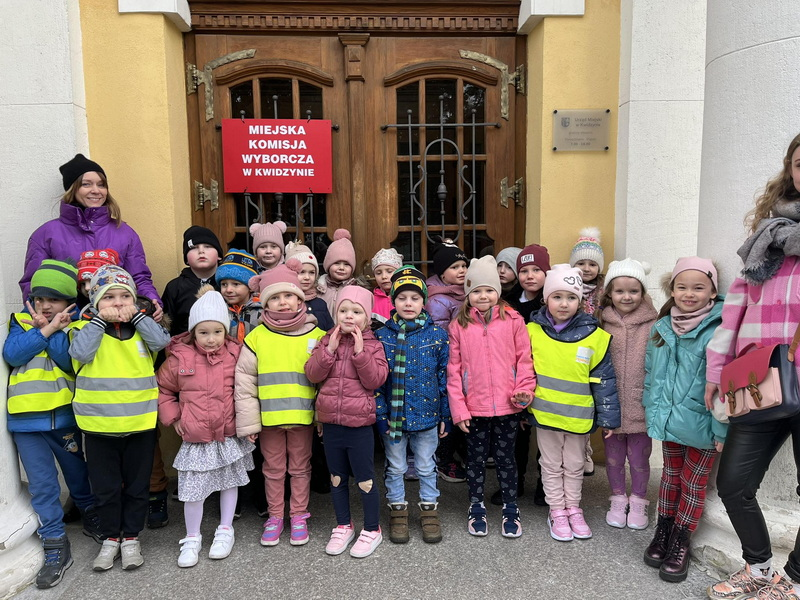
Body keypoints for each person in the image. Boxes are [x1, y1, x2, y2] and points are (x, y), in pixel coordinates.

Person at [705, 133, 800, 600]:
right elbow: (734, 312)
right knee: (734, 483)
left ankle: (794, 580)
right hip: (760, 377)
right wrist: (716, 371)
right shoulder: (766, 238)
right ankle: (759, 567)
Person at [4, 259, 101, 589]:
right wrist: (44, 329)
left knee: (76, 472)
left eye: (54, 300)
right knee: (43, 484)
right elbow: (14, 354)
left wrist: (56, 329)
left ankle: (89, 513)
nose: (45, 306)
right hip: (25, 423)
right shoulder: (20, 322)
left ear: (69, 302)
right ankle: (55, 541)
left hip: (63, 419)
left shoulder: (76, 326)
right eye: (39, 298)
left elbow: (68, 361)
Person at [68, 265, 171, 572]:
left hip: (139, 423)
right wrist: (99, 320)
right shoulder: (83, 328)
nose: (117, 303)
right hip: (99, 425)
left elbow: (161, 342)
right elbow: (81, 353)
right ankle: (111, 538)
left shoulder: (143, 329)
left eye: (124, 296)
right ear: (95, 301)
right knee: (106, 488)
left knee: (137, 486)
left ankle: (131, 538)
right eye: (108, 297)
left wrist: (138, 316)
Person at [642, 257, 726, 583]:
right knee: (670, 478)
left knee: (693, 484)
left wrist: (721, 429)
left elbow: (725, 385)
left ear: (712, 291)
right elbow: (652, 374)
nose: (689, 294)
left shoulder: (719, 328)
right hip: (669, 421)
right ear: (672, 290)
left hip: (702, 423)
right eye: (682, 287)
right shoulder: (662, 327)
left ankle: (681, 540)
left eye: (698, 288)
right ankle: (663, 531)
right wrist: (652, 410)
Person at [157, 290, 254, 567]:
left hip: (227, 434)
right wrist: (174, 417)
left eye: (217, 332)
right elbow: (163, 389)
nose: (211, 339)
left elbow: (248, 388)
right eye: (203, 333)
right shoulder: (179, 358)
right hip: (196, 437)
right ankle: (192, 537)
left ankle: (225, 529)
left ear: (225, 331)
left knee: (229, 483)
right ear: (193, 332)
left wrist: (248, 422)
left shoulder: (235, 353)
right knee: (193, 490)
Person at [235, 259, 326, 547]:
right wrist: (250, 422)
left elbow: (325, 384)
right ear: (265, 303)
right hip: (269, 420)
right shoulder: (256, 337)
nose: (283, 302)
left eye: (289, 295)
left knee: (300, 468)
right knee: (273, 470)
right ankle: (275, 516)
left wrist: (321, 417)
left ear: (300, 299)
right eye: (275, 297)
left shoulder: (317, 336)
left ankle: (298, 515)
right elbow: (245, 383)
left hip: (303, 418)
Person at [527, 264, 619, 543]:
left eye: (571, 297)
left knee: (575, 464)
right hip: (546, 415)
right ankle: (557, 510)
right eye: (557, 296)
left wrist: (608, 418)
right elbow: (522, 372)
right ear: (546, 299)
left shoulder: (595, 336)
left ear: (580, 301)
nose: (564, 303)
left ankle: (574, 509)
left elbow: (604, 380)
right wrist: (519, 408)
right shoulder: (531, 332)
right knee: (551, 464)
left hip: (579, 418)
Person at [447, 256, 536, 538]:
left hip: (508, 407)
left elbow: (524, 360)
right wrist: (459, 409)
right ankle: (476, 506)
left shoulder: (513, 320)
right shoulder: (458, 326)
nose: (483, 296)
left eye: (489, 290)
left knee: (506, 459)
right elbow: (453, 371)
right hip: (474, 408)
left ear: (498, 291)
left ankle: (511, 507)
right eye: (476, 290)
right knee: (474, 460)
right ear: (468, 294)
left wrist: (524, 391)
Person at [20, 154, 162, 320]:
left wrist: (152, 301)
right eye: (86, 184)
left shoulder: (124, 232)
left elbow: (139, 277)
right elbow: (34, 284)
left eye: (101, 185)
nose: (96, 190)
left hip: (117, 322)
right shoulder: (45, 234)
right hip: (66, 324)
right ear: (73, 188)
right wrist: (42, 319)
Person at [305, 286, 389, 558]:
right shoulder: (325, 340)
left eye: (356, 311)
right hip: (331, 422)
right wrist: (329, 349)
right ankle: (343, 525)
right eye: (343, 310)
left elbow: (376, 380)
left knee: (364, 479)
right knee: (337, 477)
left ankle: (372, 529)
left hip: (360, 424)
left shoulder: (374, 344)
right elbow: (312, 374)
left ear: (367, 317)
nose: (349, 316)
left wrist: (361, 353)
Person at [375, 266, 450, 544]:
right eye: (402, 298)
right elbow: (376, 381)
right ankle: (398, 511)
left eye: (415, 298)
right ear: (393, 301)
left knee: (426, 466)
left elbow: (444, 377)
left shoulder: (437, 335)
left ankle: (429, 510)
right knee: (395, 467)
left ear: (424, 301)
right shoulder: (382, 336)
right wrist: (380, 414)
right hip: (393, 418)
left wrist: (446, 414)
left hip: (427, 416)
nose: (409, 303)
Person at [595, 258, 657, 530]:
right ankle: (618, 498)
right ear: (610, 292)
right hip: (611, 404)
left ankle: (639, 499)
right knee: (614, 458)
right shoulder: (602, 322)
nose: (627, 296)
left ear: (643, 292)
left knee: (640, 458)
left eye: (634, 291)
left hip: (640, 403)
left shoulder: (654, 323)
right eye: (620, 291)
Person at [492, 243, 551, 507]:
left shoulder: (552, 301)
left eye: (536, 270)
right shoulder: (509, 303)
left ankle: (545, 485)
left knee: (546, 435)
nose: (530, 276)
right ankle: (513, 484)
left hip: (547, 374)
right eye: (524, 270)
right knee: (516, 434)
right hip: (516, 376)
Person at [162, 226, 223, 335]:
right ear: (186, 258)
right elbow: (166, 328)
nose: (201, 251)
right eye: (194, 247)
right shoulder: (175, 287)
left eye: (208, 246)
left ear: (219, 255)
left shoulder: (227, 284)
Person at [317, 229, 369, 316]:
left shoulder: (357, 289)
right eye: (337, 263)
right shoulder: (318, 288)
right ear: (328, 265)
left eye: (346, 264)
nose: (341, 268)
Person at [286, 241, 334, 331]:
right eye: (302, 272)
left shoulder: (321, 303)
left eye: (311, 272)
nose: (307, 277)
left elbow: (330, 330)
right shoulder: (286, 304)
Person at [216, 249, 262, 343]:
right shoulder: (218, 309)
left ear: (251, 287)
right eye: (224, 284)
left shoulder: (262, 311)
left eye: (236, 284)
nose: (228, 290)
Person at [424, 239, 468, 329]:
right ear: (442, 274)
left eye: (464, 266)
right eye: (455, 267)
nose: (462, 270)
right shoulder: (437, 301)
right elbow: (439, 331)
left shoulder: (468, 290)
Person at [569, 227, 606, 316]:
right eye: (581, 263)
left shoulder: (604, 289)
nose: (586, 269)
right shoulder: (566, 285)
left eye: (592, 265)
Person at [369, 247, 403, 325]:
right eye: (378, 273)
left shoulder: (408, 297)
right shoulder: (370, 300)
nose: (384, 276)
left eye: (389, 271)